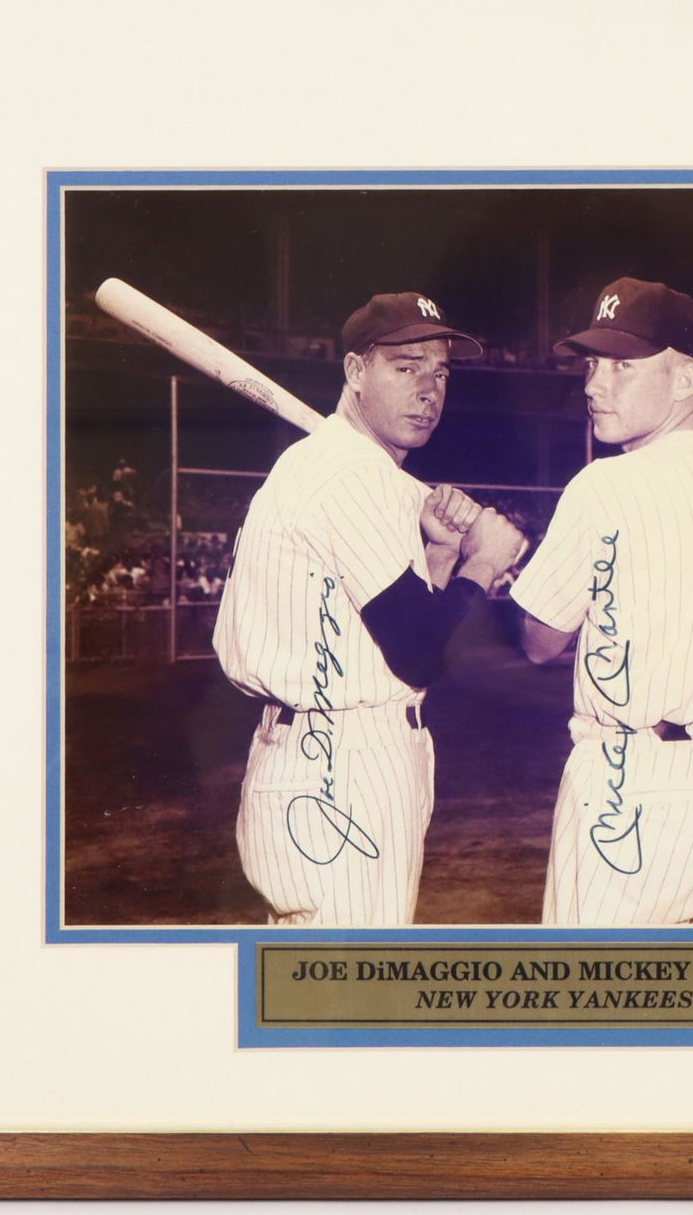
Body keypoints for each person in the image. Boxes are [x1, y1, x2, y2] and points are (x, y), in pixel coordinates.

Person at [213, 291, 526, 925]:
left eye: (440, 373)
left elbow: (387, 630)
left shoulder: (349, 470)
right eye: (405, 367)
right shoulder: (345, 474)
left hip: (329, 756)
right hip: (341, 769)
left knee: (324, 996)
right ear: (356, 372)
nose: (429, 390)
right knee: (355, 996)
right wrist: (483, 561)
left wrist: (438, 559)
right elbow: (418, 653)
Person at [510, 277, 693, 926]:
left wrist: (500, 556)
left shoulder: (605, 486)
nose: (594, 384)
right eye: (592, 365)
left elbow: (538, 641)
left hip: (634, 787)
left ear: (684, 379)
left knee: (598, 1015)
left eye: (622, 365)